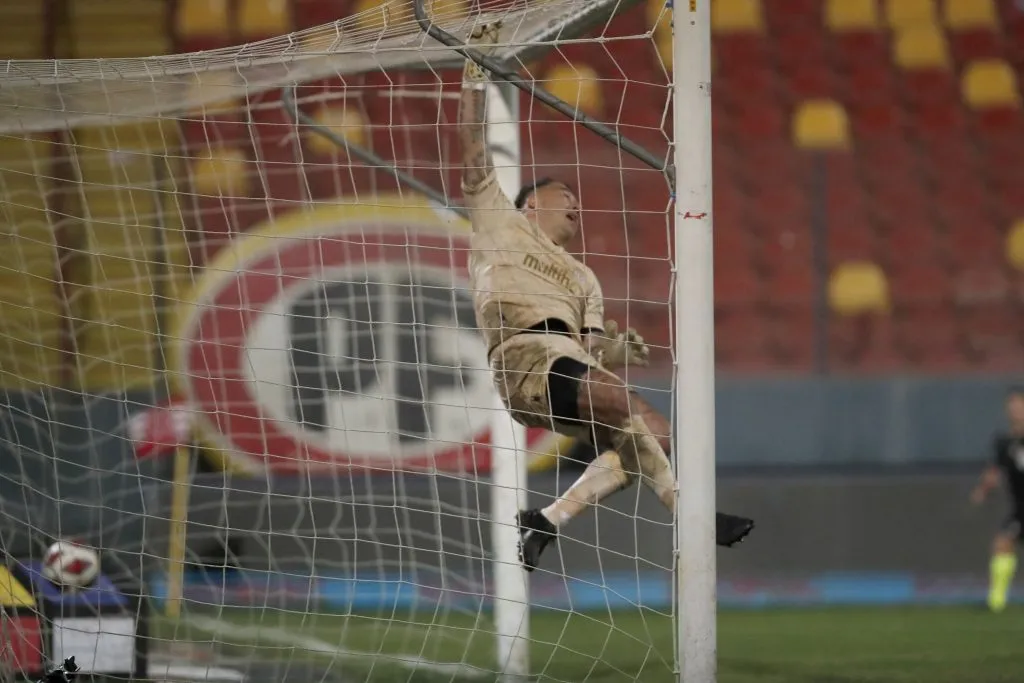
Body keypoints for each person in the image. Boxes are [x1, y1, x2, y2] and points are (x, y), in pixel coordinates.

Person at [458, 22, 754, 571]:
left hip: (566, 368)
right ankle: (690, 514)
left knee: (657, 435)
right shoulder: (501, 224)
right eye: (562, 194)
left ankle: (547, 519)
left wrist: (615, 352)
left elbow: (589, 353)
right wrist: (473, 77)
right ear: (529, 204)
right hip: (523, 360)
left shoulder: (583, 278)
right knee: (622, 404)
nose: (575, 201)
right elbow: (475, 161)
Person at [971, 388, 1024, 611]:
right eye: (1011, 407)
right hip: (1020, 508)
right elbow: (995, 470)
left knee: (1003, 543)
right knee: (1002, 544)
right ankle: (996, 601)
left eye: (1019, 405)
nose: (1015, 410)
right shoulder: (1004, 442)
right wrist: (984, 488)